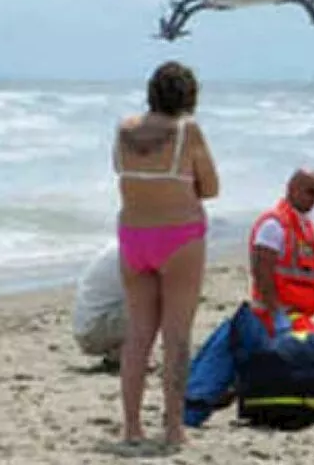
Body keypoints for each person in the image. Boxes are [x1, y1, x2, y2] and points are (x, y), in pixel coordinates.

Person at [112, 60, 219, 448]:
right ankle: (173, 429)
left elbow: (120, 173)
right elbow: (211, 187)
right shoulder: (187, 132)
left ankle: (131, 428)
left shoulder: (124, 130)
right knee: (176, 335)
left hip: (133, 236)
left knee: (138, 334)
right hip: (179, 238)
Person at [248, 168, 314, 337]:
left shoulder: (302, 225)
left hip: (301, 309)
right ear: (292, 189)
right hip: (279, 313)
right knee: (313, 349)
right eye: (311, 192)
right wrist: (277, 315)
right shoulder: (273, 225)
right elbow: (261, 275)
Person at [72, 240, 126, 368]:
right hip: (93, 332)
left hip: (89, 328)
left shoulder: (127, 242)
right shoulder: (135, 250)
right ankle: (123, 356)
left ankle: (121, 355)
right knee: (155, 302)